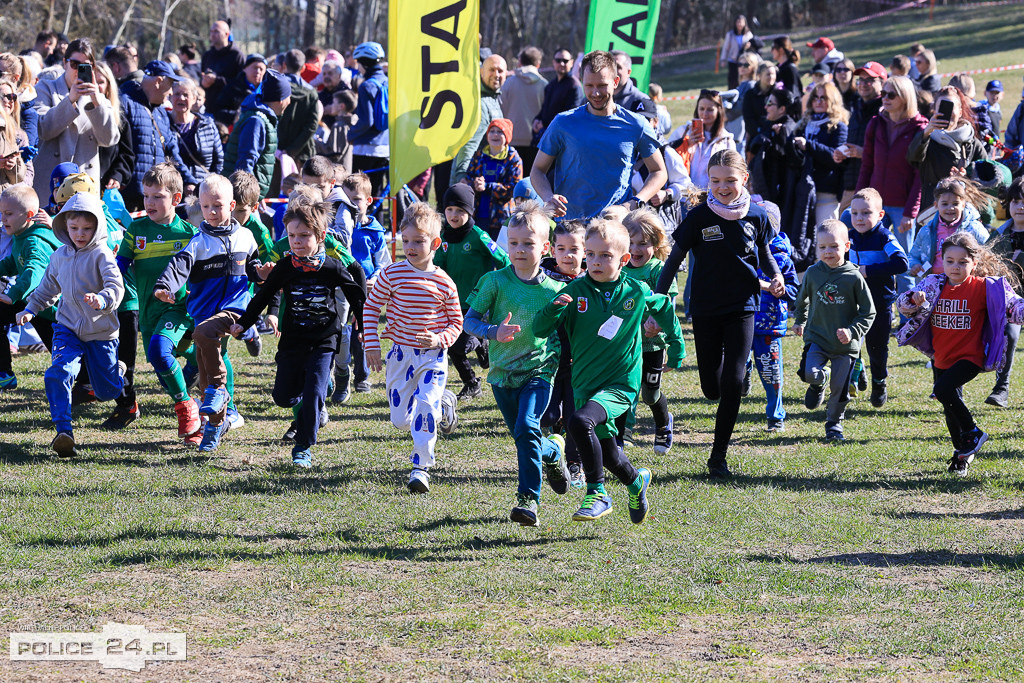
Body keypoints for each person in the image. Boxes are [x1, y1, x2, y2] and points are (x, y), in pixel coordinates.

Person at [534, 218, 682, 524]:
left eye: (605, 256)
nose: (595, 261)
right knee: (610, 453)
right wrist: (552, 310)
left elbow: (666, 309)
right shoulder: (575, 289)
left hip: (620, 383)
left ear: (624, 259)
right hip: (585, 383)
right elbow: (539, 327)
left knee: (579, 421)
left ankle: (597, 493)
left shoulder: (636, 290)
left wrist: (677, 349)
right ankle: (636, 482)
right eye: (590, 254)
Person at [655, 150, 785, 478]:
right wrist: (657, 298)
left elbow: (765, 251)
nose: (722, 186)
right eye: (715, 180)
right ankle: (731, 378)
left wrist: (777, 275)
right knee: (711, 388)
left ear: (744, 179)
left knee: (733, 382)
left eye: (730, 180)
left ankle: (718, 457)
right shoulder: (699, 217)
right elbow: (674, 259)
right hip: (705, 308)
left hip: (743, 306)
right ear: (708, 181)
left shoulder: (756, 215)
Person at [231, 199, 365, 468]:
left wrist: (362, 322)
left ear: (320, 236)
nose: (297, 241)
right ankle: (318, 386)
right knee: (283, 397)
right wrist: (244, 323)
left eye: (304, 236)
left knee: (313, 392)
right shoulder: (285, 267)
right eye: (292, 236)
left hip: (324, 339)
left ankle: (303, 446)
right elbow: (264, 296)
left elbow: (355, 290)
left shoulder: (331, 266)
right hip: (292, 339)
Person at [463, 200, 570, 525]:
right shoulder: (494, 281)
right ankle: (553, 453)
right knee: (527, 437)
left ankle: (528, 501)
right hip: (501, 375)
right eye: (514, 243)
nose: (520, 250)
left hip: (539, 370)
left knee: (526, 427)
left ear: (545, 247)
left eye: (528, 243)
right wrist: (494, 331)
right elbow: (470, 321)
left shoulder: (556, 290)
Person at [896, 231, 1024, 475]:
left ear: (974, 264)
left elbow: (1014, 306)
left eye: (963, 262)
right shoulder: (933, 284)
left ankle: (974, 432)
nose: (955, 267)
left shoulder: (985, 288)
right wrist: (912, 300)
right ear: (942, 260)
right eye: (950, 261)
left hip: (970, 357)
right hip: (941, 357)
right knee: (950, 407)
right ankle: (962, 454)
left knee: (942, 391)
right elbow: (903, 304)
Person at [153, 174, 262, 453]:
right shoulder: (199, 241)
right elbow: (179, 265)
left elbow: (255, 269)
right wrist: (166, 286)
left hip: (236, 307)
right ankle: (214, 427)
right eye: (205, 207)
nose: (211, 212)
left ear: (231, 205)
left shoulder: (245, 237)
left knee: (204, 337)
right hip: (204, 312)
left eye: (217, 206)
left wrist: (262, 273)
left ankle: (219, 388)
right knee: (203, 370)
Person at [362, 202, 463, 494]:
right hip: (399, 354)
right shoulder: (392, 274)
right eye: (405, 241)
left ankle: (421, 468)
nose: (411, 247)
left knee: (424, 411)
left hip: (433, 357)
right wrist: (371, 345)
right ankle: (445, 403)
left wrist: (439, 340)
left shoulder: (444, 283)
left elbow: (457, 322)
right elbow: (370, 308)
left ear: (434, 243)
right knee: (400, 420)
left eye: (418, 241)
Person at [15, 191, 124, 457]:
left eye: (87, 228)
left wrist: (102, 299)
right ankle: (64, 432)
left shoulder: (102, 254)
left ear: (97, 227)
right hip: (68, 329)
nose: (80, 234)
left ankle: (116, 372)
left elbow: (116, 287)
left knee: (107, 390)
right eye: (74, 228)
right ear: (64, 227)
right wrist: (31, 309)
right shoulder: (59, 256)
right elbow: (46, 288)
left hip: (101, 332)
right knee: (58, 373)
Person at [115, 163, 202, 445]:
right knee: (161, 362)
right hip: (148, 312)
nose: (149, 202)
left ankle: (186, 410)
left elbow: (200, 275)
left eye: (158, 196)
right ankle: (196, 366)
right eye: (146, 196)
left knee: (159, 352)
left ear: (176, 199)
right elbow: (119, 265)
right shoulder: (136, 229)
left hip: (177, 308)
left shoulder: (189, 234)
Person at [531, 51, 666, 221]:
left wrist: (632, 204)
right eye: (589, 85)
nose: (595, 93)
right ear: (582, 83)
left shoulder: (636, 124)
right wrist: (548, 197)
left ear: (615, 82)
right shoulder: (563, 123)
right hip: (570, 230)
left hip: (614, 228)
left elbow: (659, 171)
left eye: (602, 85)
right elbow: (537, 170)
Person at [793, 219, 875, 442]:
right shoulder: (812, 273)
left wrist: (852, 331)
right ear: (816, 248)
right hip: (818, 337)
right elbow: (802, 301)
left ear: (846, 247)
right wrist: (800, 321)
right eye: (822, 247)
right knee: (810, 373)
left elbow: (869, 312)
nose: (828, 252)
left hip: (845, 345)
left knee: (840, 389)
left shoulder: (854, 276)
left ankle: (834, 424)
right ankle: (819, 382)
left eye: (834, 246)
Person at [434, 183, 510, 399]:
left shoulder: (479, 236)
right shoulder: (444, 237)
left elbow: (503, 259)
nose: (454, 215)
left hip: (478, 301)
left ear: (470, 211)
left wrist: (503, 285)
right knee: (452, 347)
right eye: (449, 210)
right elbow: (438, 267)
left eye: (460, 210)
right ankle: (472, 380)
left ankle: (480, 342)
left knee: (458, 347)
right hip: (453, 302)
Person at [856, 75, 927, 296]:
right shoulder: (876, 123)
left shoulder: (920, 127)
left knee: (903, 263)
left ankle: (907, 317)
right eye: (883, 93)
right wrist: (858, 200)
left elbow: (920, 175)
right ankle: (870, 306)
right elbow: (867, 164)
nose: (884, 98)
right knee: (869, 255)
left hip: (902, 207)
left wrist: (910, 212)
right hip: (873, 205)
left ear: (905, 98)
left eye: (891, 94)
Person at [621, 208, 683, 452]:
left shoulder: (659, 270)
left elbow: (668, 301)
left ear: (656, 243)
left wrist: (657, 322)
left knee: (650, 392)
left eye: (642, 244)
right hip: (627, 343)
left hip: (654, 345)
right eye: (631, 243)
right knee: (628, 387)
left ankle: (663, 424)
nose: (635, 250)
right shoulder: (619, 269)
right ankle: (623, 434)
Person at [843, 187, 909, 408]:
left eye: (866, 213)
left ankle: (879, 382)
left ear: (880, 215)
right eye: (854, 213)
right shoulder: (849, 237)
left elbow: (902, 263)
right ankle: (855, 370)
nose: (859, 218)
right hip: (853, 302)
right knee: (850, 343)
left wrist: (867, 270)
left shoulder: (884, 237)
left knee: (877, 347)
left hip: (879, 303)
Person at [31, 38, 121, 200]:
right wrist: (70, 99)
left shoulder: (99, 99)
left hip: (83, 186)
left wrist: (96, 102)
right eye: (74, 64)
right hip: (50, 185)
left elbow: (109, 139)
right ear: (65, 62)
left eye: (86, 66)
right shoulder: (45, 89)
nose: (78, 70)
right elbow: (43, 129)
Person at [539, 219, 587, 487]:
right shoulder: (542, 280)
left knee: (574, 418)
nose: (569, 255)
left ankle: (575, 464)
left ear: (585, 251)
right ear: (552, 251)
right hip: (547, 360)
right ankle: (551, 448)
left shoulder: (591, 281)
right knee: (547, 416)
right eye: (562, 248)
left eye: (575, 249)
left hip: (580, 362)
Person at [0, 184, 59, 389]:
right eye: (1, 213)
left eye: (8, 214)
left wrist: (12, 294)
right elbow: (14, 262)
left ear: (29, 215)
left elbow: (34, 272)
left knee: (64, 354)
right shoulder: (21, 235)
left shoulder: (35, 240)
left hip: (52, 308)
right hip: (33, 304)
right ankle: (3, 373)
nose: (3, 219)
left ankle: (91, 382)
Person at [119, 61, 199, 207]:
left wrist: (188, 181)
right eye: (170, 86)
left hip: (158, 196)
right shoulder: (125, 104)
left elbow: (172, 152)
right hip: (128, 198)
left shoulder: (161, 113)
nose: (170, 92)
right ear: (158, 82)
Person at [746, 221, 799, 432]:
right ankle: (745, 373)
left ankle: (776, 417)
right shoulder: (742, 250)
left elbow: (794, 292)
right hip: (741, 320)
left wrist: (775, 288)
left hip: (769, 327)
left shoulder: (782, 259)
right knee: (734, 364)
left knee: (771, 375)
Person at [908, 87, 987, 211]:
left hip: (962, 211)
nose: (948, 112)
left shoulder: (971, 142)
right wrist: (926, 133)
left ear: (960, 112)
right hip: (931, 210)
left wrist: (965, 178)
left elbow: (985, 176)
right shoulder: (927, 138)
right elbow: (912, 158)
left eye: (951, 106)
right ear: (934, 110)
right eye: (943, 107)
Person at [444, 55, 507, 198]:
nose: (496, 75)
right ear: (481, 71)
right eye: (492, 70)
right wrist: (462, 176)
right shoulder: (479, 102)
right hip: (472, 181)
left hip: (486, 181)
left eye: (500, 71)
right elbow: (469, 143)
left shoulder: (493, 98)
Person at [223, 70, 291, 199]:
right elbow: (246, 161)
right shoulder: (256, 121)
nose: (290, 101)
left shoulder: (262, 117)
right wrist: (246, 197)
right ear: (281, 100)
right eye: (289, 96)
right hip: (242, 197)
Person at [908, 177, 990, 280]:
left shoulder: (974, 229)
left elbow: (989, 253)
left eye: (955, 204)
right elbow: (913, 255)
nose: (950, 208)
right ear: (936, 205)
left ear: (963, 205)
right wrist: (914, 265)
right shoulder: (926, 231)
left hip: (965, 282)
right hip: (934, 282)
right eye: (945, 204)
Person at [792, 81, 848, 226]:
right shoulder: (803, 124)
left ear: (832, 101)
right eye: (815, 97)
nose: (818, 101)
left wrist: (808, 145)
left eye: (823, 98)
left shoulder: (838, 126)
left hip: (827, 191)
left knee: (826, 235)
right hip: (803, 189)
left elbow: (836, 156)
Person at [834, 62, 885, 212]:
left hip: (876, 185)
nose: (863, 84)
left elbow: (892, 151)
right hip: (852, 183)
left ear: (882, 83)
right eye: (860, 80)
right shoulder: (856, 109)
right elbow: (852, 142)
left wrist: (863, 153)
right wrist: (842, 153)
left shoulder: (886, 112)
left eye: (869, 80)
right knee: (844, 228)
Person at [466, 118, 523, 238]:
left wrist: (487, 187)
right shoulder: (478, 155)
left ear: (506, 136)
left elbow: (514, 189)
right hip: (478, 216)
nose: (495, 135)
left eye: (500, 131)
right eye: (492, 131)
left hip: (501, 219)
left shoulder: (514, 159)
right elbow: (467, 180)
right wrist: (474, 184)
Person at [348, 42, 389, 199]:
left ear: (364, 63)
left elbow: (366, 121)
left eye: (359, 63)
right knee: (376, 194)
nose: (358, 67)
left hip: (365, 148)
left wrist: (351, 135)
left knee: (359, 194)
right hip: (385, 147)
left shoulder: (366, 86)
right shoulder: (388, 82)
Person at [500, 47, 547, 172]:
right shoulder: (545, 85)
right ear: (538, 64)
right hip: (536, 143)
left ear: (520, 62)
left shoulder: (508, 83)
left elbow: (500, 110)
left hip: (510, 140)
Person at [169, 78, 222, 184]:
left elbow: (218, 160)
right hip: (172, 186)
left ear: (194, 99)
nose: (181, 98)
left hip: (202, 187)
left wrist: (208, 185)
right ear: (170, 97)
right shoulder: (164, 124)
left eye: (186, 95)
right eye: (177, 94)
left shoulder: (207, 125)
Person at [277, 49, 322, 167]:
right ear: (303, 68)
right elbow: (312, 126)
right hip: (302, 154)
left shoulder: (275, 88)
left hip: (275, 152)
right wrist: (292, 150)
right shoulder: (311, 92)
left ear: (284, 65)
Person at [533, 48, 584, 144]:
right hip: (545, 137)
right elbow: (545, 109)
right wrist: (537, 119)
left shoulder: (574, 86)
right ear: (553, 62)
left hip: (562, 140)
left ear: (572, 63)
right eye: (558, 60)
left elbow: (571, 116)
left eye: (565, 61)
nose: (561, 64)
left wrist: (544, 124)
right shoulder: (550, 85)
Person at [200, 20, 245, 124]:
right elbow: (201, 79)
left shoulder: (237, 55)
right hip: (208, 110)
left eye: (216, 31)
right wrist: (204, 83)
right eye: (211, 31)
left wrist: (216, 80)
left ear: (227, 34)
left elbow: (241, 84)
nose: (212, 34)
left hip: (229, 113)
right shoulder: (207, 55)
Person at [721, 51, 761, 154]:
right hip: (733, 128)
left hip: (741, 130)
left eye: (746, 64)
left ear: (753, 67)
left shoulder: (751, 85)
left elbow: (740, 108)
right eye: (740, 64)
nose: (742, 67)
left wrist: (724, 116)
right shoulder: (741, 85)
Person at [214, 53, 266, 127]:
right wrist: (236, 115)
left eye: (261, 69)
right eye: (255, 67)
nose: (258, 71)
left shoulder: (269, 89)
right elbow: (218, 111)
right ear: (245, 68)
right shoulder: (233, 88)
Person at [741, 62, 777, 147]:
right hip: (757, 139)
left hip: (775, 137)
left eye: (773, 74)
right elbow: (748, 119)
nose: (771, 77)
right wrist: (761, 130)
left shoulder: (778, 93)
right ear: (759, 75)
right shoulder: (750, 95)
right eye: (768, 74)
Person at [721, 16, 754, 90]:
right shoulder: (730, 34)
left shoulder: (748, 34)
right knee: (733, 80)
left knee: (744, 78)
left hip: (744, 61)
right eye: (738, 22)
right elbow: (726, 48)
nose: (740, 24)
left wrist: (748, 46)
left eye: (741, 22)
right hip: (733, 61)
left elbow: (753, 46)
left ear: (745, 23)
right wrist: (723, 59)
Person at [771, 37, 803, 114]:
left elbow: (793, 94)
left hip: (789, 113)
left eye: (773, 48)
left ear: (781, 50)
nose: (771, 51)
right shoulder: (778, 67)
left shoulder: (790, 69)